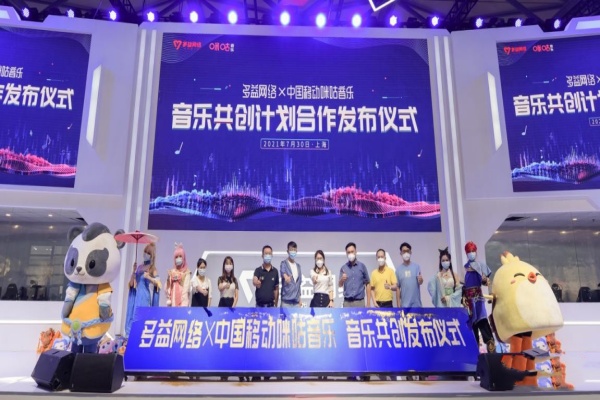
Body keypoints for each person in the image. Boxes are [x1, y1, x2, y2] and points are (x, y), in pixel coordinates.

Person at [339, 242, 371, 381]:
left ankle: (364, 372)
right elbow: (339, 284)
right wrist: (342, 280)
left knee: (362, 337)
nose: (350, 254)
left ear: (356, 252)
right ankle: (351, 372)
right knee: (349, 337)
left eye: (352, 251)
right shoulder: (343, 268)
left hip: (359, 302)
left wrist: (368, 304)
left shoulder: (362, 266)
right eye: (348, 252)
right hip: (347, 303)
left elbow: (368, 283)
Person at [252, 245, 279, 381]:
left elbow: (276, 290)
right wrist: (255, 282)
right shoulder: (258, 270)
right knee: (258, 340)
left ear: (272, 255)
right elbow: (254, 281)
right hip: (259, 308)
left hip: (270, 308)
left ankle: (267, 372)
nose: (268, 255)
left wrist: (275, 305)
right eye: (265, 253)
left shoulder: (275, 272)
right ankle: (256, 372)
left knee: (268, 341)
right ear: (262, 255)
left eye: (269, 253)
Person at [463, 241, 496, 353]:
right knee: (473, 324)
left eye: (473, 251)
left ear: (476, 252)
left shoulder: (480, 265)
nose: (471, 253)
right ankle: (474, 352)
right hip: (469, 300)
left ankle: (491, 348)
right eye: (469, 251)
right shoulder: (466, 267)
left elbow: (486, 281)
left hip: (478, 298)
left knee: (482, 320)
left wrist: (485, 280)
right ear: (466, 253)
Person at [124, 243, 160, 338]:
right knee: (135, 317)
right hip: (137, 296)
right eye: (145, 251)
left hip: (144, 296)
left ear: (152, 256)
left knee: (143, 318)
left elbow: (158, 283)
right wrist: (133, 271)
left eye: (148, 253)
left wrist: (149, 277)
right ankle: (133, 337)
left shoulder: (152, 268)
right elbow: (131, 284)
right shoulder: (139, 267)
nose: (146, 254)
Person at [218, 256, 240, 381]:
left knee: (232, 338)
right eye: (226, 263)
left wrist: (233, 305)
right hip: (222, 306)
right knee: (222, 338)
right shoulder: (220, 279)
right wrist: (225, 285)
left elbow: (236, 295)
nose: (228, 266)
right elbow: (220, 288)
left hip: (231, 307)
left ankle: (235, 370)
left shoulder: (235, 280)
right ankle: (223, 372)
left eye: (230, 263)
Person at [395, 242, 423, 308]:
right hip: (404, 305)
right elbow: (397, 288)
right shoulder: (398, 270)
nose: (406, 253)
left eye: (407, 251)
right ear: (401, 253)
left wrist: (421, 280)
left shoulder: (416, 267)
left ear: (411, 252)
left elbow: (420, 282)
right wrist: (398, 305)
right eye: (404, 251)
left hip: (416, 305)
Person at [280, 241, 303, 308]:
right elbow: (283, 272)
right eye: (291, 250)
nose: (293, 252)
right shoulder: (284, 263)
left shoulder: (298, 266)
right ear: (287, 251)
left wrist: (300, 299)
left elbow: (298, 284)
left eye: (294, 250)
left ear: (296, 251)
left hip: (296, 302)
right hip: (286, 301)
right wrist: (285, 277)